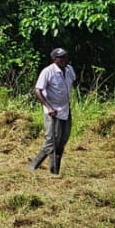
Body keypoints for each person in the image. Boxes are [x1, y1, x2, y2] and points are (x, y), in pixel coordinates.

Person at [31, 47, 77, 175]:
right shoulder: (48, 72)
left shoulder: (69, 70)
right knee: (51, 141)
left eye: (65, 57)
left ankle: (55, 171)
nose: (64, 60)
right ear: (54, 59)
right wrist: (49, 107)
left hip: (65, 110)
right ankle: (34, 166)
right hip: (52, 111)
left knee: (62, 140)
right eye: (61, 58)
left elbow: (72, 83)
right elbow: (38, 90)